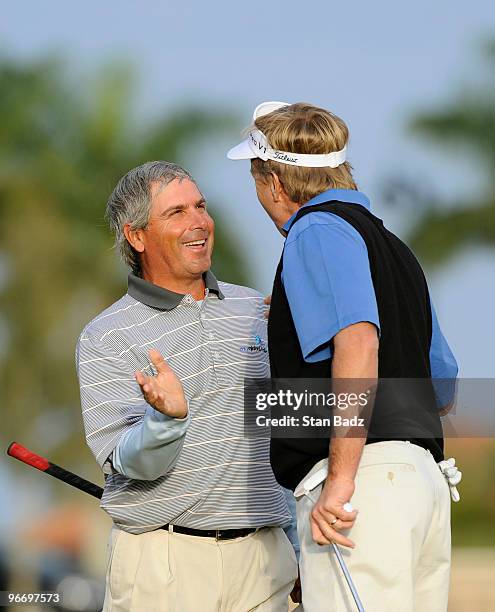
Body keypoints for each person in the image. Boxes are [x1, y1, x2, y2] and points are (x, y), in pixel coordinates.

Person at [227, 102, 460, 611]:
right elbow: (441, 386)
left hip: (365, 489)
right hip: (423, 484)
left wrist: (342, 480)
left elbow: (358, 342)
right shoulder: (393, 245)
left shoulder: (316, 229)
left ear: (273, 181)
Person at [75, 161, 297, 611]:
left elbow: (283, 433)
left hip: (267, 557)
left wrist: (297, 544)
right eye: (176, 212)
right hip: (165, 564)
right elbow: (128, 463)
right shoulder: (105, 335)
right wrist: (166, 420)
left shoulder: (257, 309)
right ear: (136, 236)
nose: (199, 222)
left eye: (201, 206)